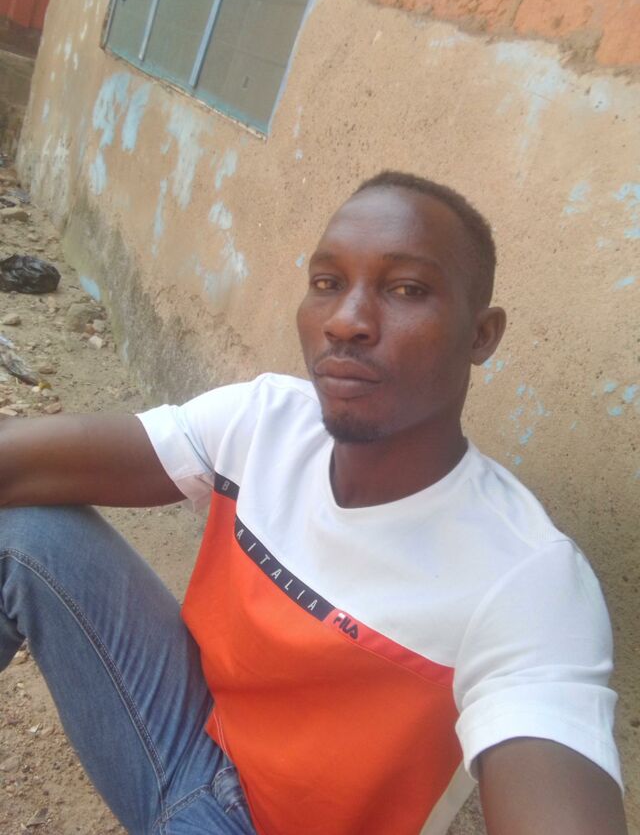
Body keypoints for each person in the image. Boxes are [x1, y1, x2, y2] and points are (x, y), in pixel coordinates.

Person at [0, 171, 627, 835]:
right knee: (25, 524)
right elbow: (25, 462)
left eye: (406, 289)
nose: (345, 321)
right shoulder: (265, 420)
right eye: (327, 282)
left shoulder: (526, 579)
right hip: (184, 737)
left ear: (481, 335)